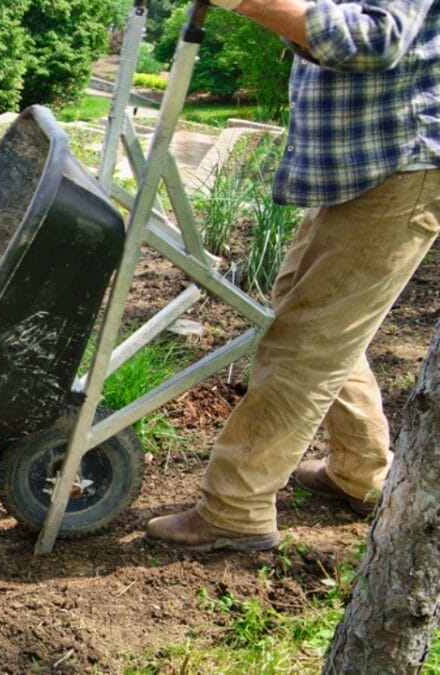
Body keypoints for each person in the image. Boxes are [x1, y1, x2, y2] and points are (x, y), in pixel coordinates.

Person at [146, 0, 440, 550]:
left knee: (305, 342)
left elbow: (374, 39)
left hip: (399, 165)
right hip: (363, 166)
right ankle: (361, 472)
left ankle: (236, 508)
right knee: (310, 320)